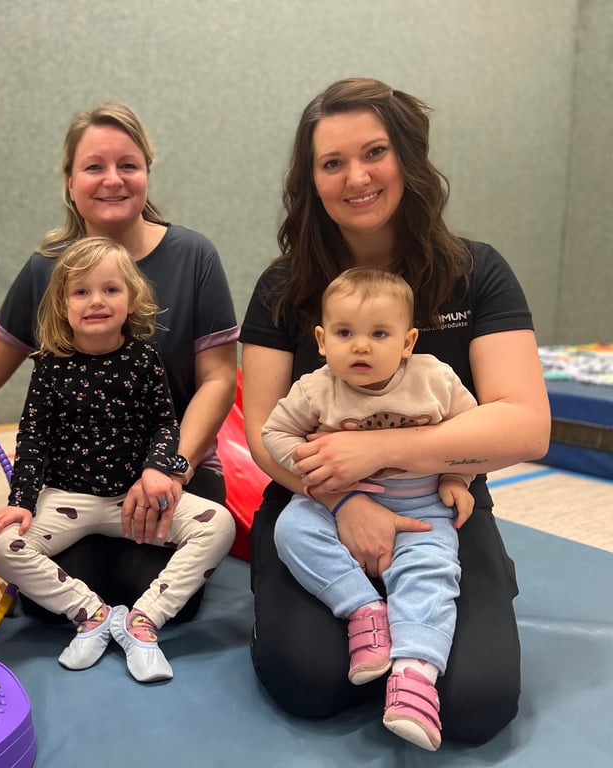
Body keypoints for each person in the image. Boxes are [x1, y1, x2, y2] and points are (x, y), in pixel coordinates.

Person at [240, 77, 550, 745]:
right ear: (311, 179)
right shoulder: (280, 287)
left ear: (408, 157)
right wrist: (344, 499)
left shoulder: (477, 273)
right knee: (311, 684)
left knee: (475, 704)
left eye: (374, 152)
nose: (356, 176)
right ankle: (362, 615)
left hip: (443, 504)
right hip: (316, 500)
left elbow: (525, 424)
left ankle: (445, 622)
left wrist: (381, 451)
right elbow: (265, 433)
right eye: (332, 163)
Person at [0, 101, 239, 616]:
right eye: (94, 167)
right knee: (44, 601)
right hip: (77, 482)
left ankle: (136, 612)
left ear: (147, 172)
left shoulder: (195, 257)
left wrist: (171, 470)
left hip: (170, 470)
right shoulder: (45, 269)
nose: (113, 180)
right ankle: (97, 609)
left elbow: (218, 380)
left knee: (148, 583)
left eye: (128, 165)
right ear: (69, 181)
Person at [0, 237, 236, 683]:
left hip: (132, 500)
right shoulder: (49, 366)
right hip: (67, 499)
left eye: (110, 290)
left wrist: (159, 468)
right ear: (62, 305)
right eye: (81, 292)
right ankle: (93, 615)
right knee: (0, 544)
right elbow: (34, 438)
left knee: (219, 524)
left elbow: (164, 422)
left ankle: (143, 621)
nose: (96, 301)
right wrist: (21, 500)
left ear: (132, 298)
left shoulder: (144, 358)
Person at [262, 267, 478, 751]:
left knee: (433, 569)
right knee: (292, 527)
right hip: (335, 501)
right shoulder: (314, 389)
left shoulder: (435, 379)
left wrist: (455, 477)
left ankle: (414, 677)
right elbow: (273, 434)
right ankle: (363, 608)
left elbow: (474, 433)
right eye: (345, 333)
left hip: (422, 505)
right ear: (321, 339)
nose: (361, 346)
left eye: (379, 334)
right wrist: (321, 477)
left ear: (408, 341)